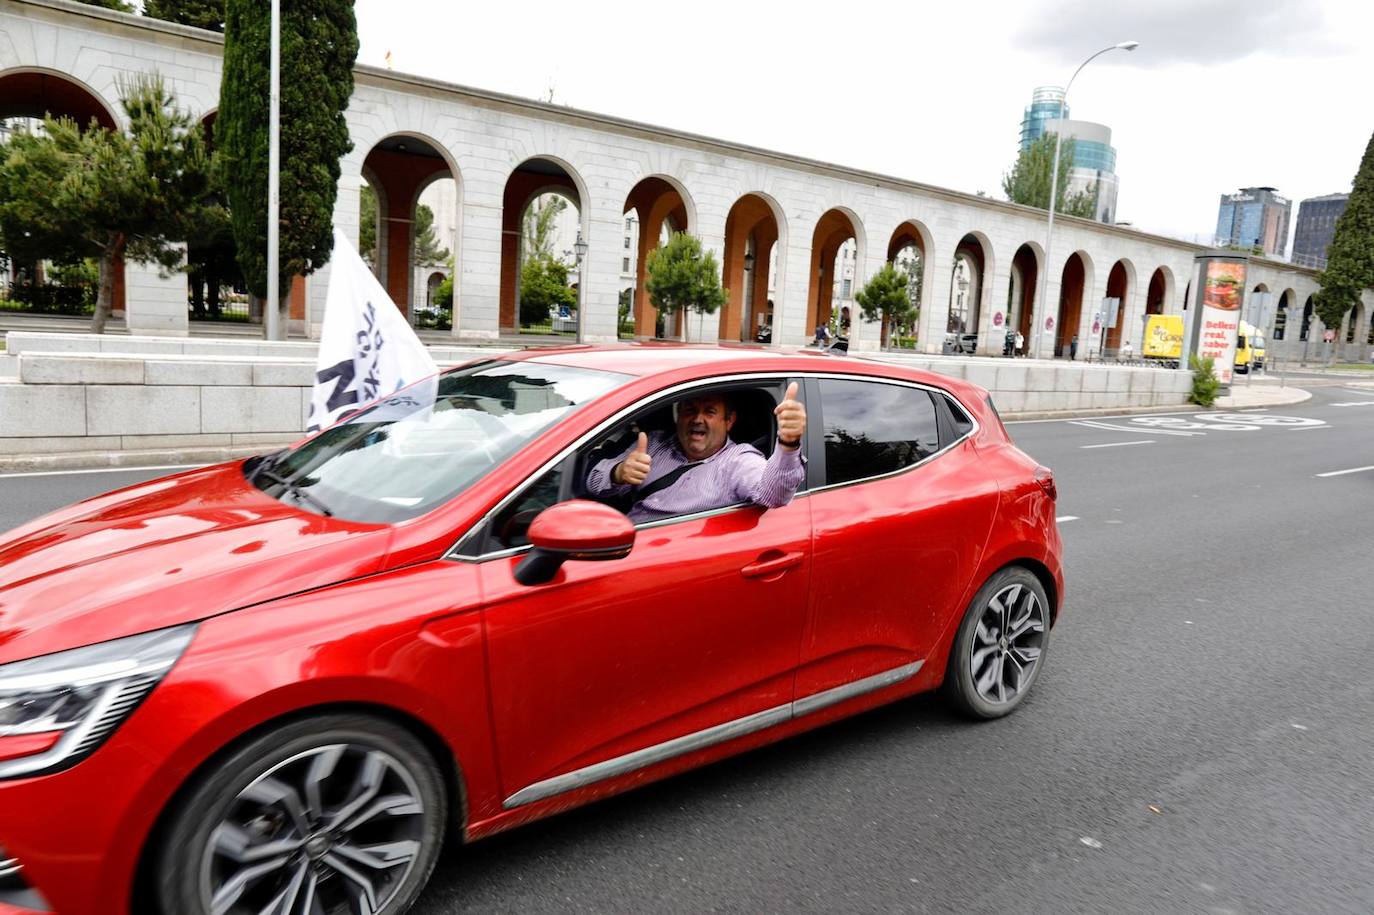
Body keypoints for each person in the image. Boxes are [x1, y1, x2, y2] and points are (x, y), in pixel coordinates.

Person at [586, 384, 807, 523]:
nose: (697, 419)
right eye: (689, 410)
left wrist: (788, 443)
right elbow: (593, 482)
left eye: (710, 412)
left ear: (729, 421)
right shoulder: (653, 443)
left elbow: (773, 494)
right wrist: (618, 473)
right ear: (679, 415)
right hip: (622, 546)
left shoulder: (738, 461)